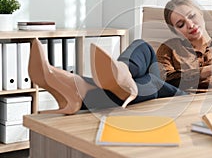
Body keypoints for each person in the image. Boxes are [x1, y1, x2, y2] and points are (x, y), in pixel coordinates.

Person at [28, 37, 185, 115]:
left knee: (153, 82)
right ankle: (123, 73)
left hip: (185, 97)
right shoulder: (173, 46)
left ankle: (81, 87)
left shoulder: (210, 49)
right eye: (180, 24)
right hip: (163, 81)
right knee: (142, 45)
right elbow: (168, 73)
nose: (189, 25)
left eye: (191, 17)